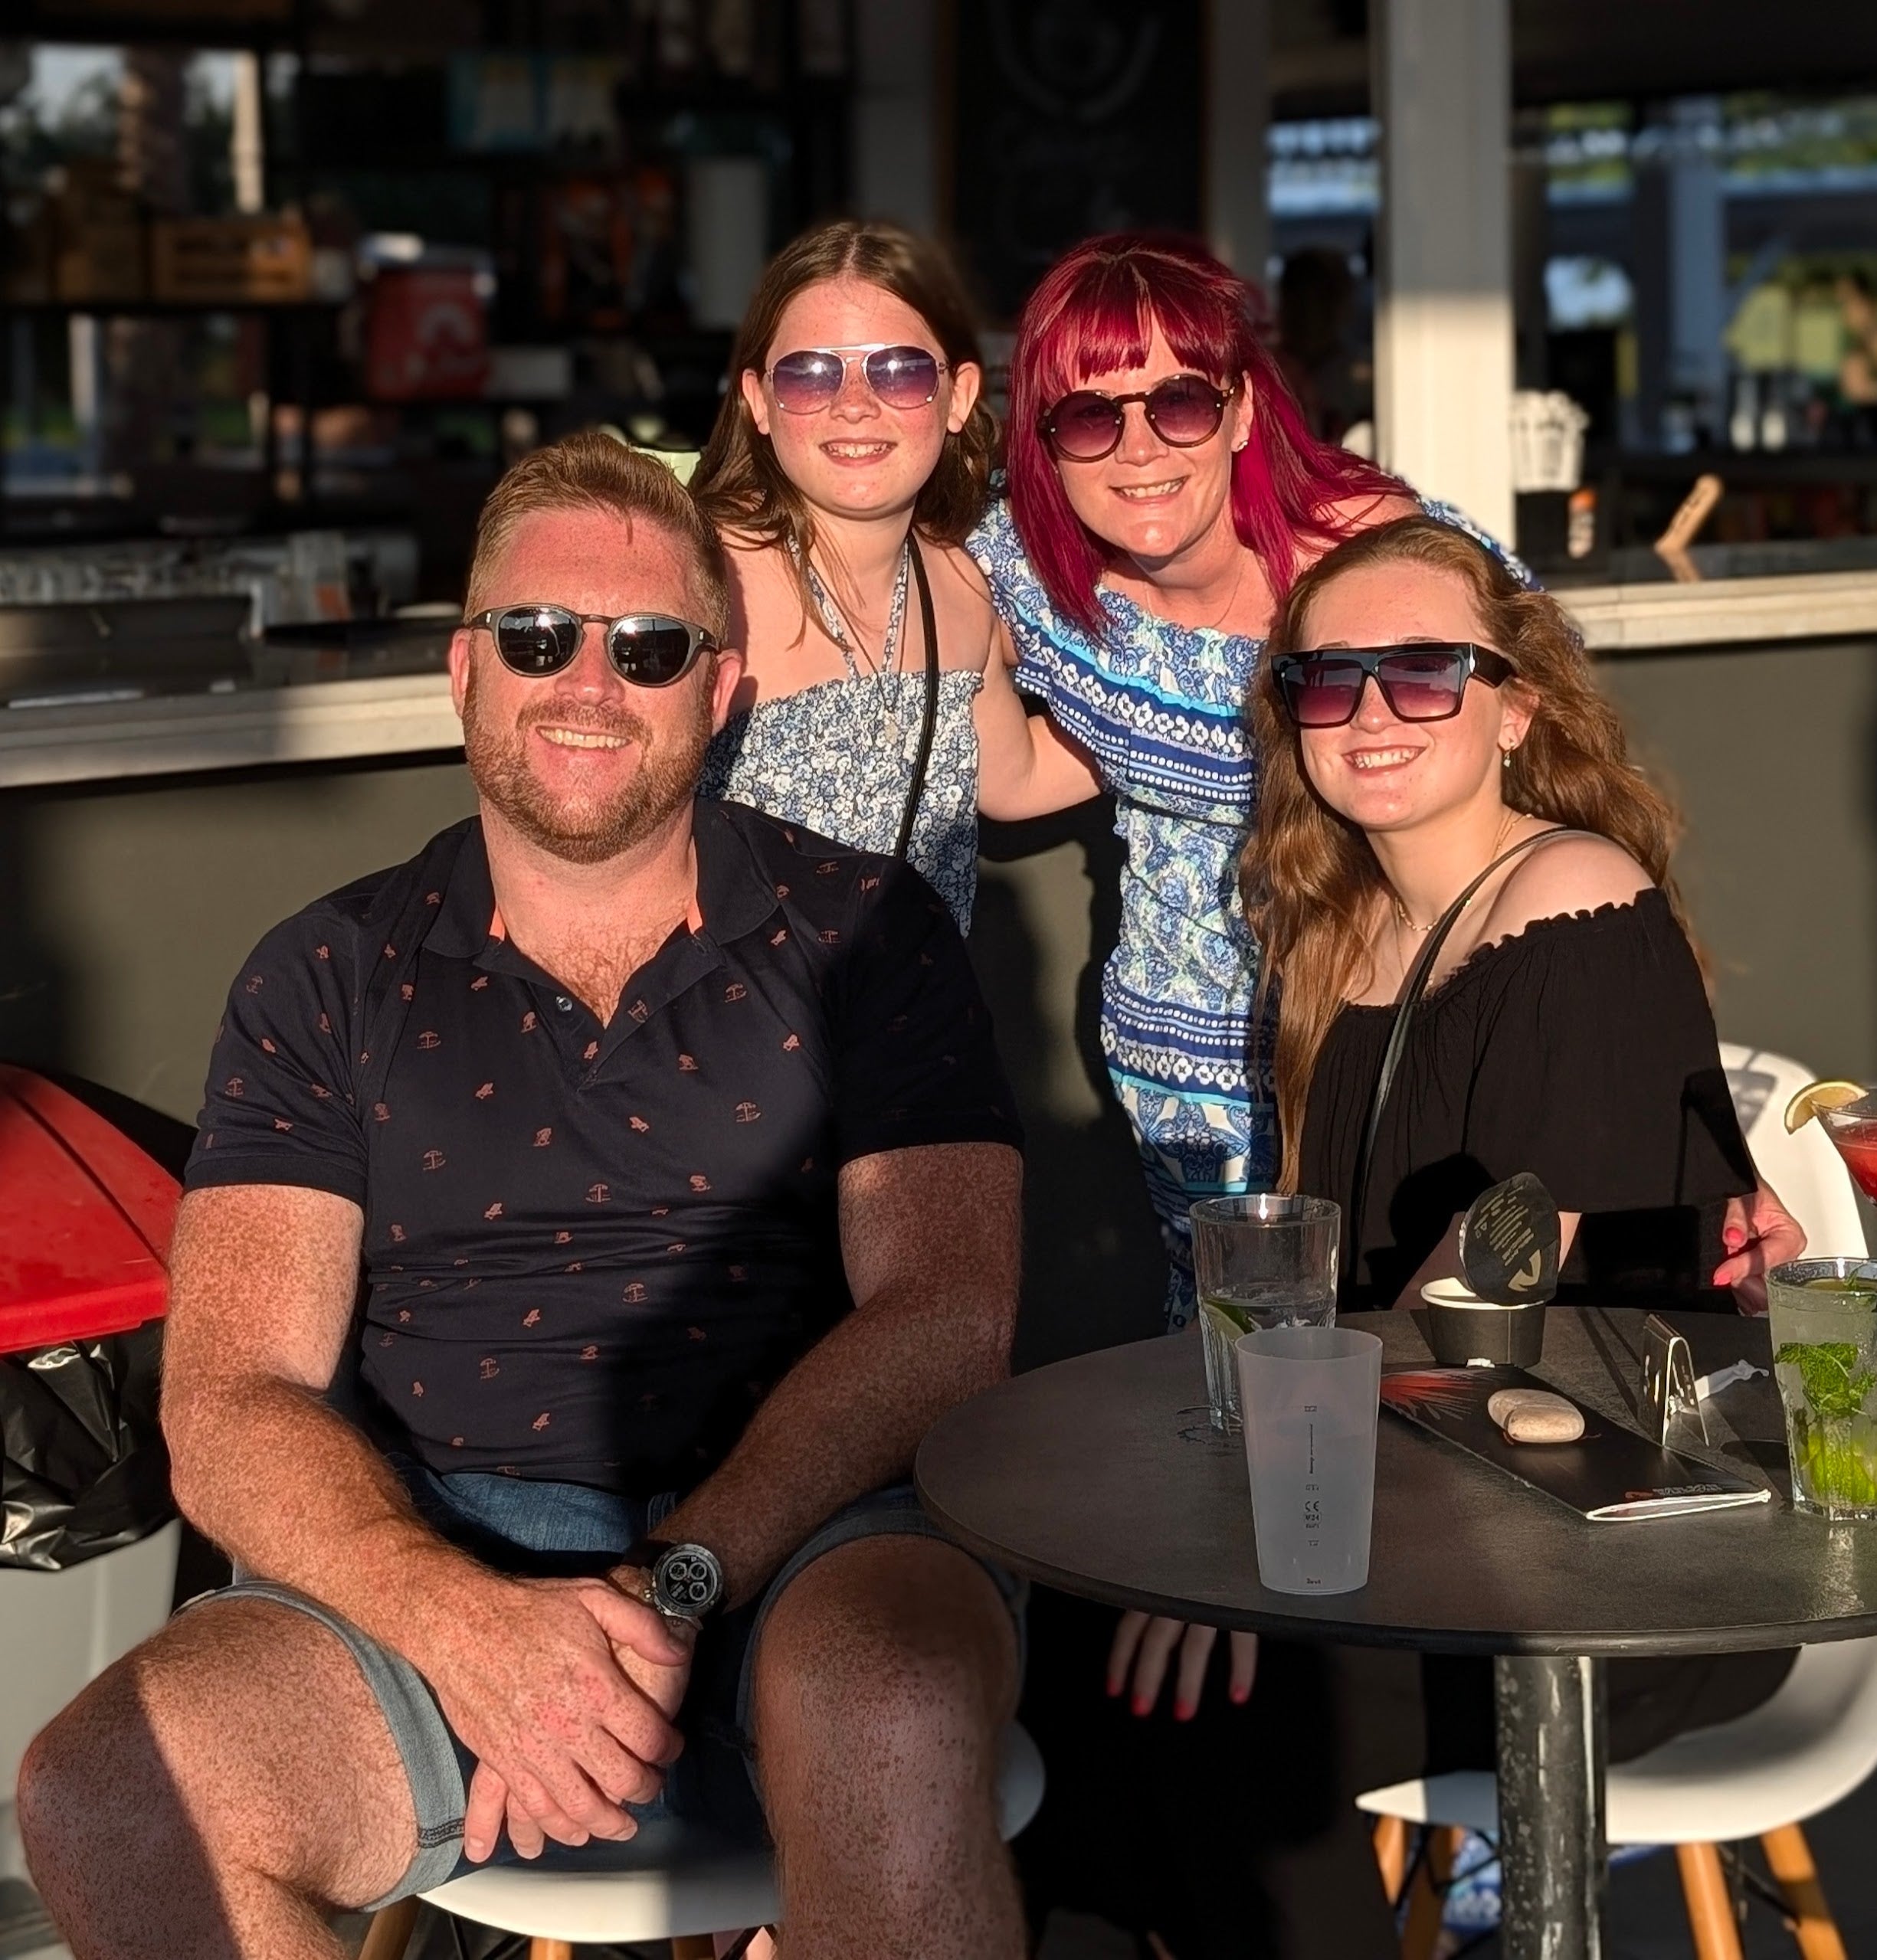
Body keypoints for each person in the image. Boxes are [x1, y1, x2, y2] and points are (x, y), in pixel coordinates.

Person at [18, 432, 1030, 1960]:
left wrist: (684, 1575)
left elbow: (945, 1310)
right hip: (442, 1532)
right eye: (539, 635)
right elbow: (229, 1400)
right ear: (465, 669)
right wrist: (463, 1620)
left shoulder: (866, 930)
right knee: (111, 1796)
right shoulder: (326, 972)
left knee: (890, 1707)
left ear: (719, 690)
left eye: (648, 646)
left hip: (821, 1526)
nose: (589, 681)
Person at [1237, 512, 1800, 1939]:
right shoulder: (1332, 938)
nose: (1371, 710)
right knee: (1087, 1680)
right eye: (1326, 677)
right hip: (1420, 1515)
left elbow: (1472, 1300)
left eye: (1425, 671)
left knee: (1209, 1717)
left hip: (1618, 1566)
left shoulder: (1575, 897)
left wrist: (1237, 1536)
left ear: (1513, 708)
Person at [691, 220, 1009, 931]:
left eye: (899, 370)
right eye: (810, 373)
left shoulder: (960, 582)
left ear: (958, 396)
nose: (855, 403)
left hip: (921, 1001)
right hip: (733, 1003)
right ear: (758, 401)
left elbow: (1014, 777)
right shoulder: (700, 573)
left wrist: (1190, 734)